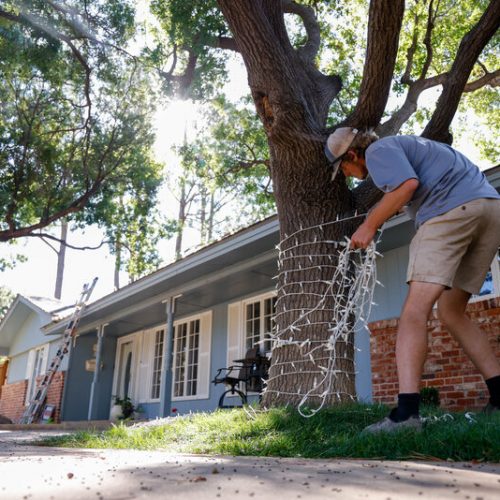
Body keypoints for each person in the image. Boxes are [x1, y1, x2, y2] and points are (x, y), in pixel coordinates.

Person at [325, 128, 500, 433]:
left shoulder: (379, 151)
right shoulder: (414, 146)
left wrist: (369, 225)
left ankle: (406, 415)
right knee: (451, 312)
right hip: (489, 209)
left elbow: (407, 186)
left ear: (352, 155)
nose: (349, 176)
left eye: (344, 169)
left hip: (450, 212)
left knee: (413, 313)